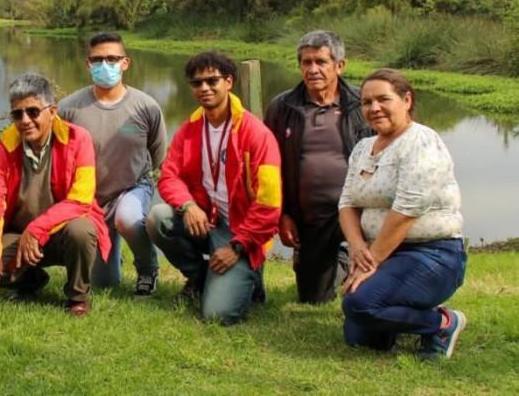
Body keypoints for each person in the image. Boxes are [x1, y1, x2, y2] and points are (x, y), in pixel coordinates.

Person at [339, 68, 467, 361]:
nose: (374, 108)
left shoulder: (421, 142)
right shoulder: (362, 148)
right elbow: (346, 203)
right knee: (359, 338)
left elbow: (407, 210)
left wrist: (370, 263)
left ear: (406, 100)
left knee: (360, 305)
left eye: (383, 99)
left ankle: (442, 323)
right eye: (366, 102)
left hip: (431, 255)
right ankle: (405, 312)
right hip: (380, 252)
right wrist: (358, 249)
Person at [147, 52, 281, 325]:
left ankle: (250, 276)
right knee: (157, 218)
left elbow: (269, 206)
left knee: (218, 315)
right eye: (197, 83)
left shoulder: (256, 135)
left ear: (229, 81)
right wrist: (188, 206)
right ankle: (199, 276)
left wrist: (238, 246)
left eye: (212, 81)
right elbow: (168, 176)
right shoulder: (190, 129)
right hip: (206, 220)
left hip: (242, 230)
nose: (204, 88)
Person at [0, 74, 111, 316]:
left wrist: (36, 230)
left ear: (53, 111)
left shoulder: (79, 139)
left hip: (61, 232)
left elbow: (81, 200)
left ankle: (77, 296)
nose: (25, 120)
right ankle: (31, 280)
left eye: (33, 112)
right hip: (18, 235)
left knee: (82, 230)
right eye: (17, 114)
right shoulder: (2, 150)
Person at [264, 30, 373, 304]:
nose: (312, 69)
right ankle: (341, 262)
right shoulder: (282, 107)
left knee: (374, 282)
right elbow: (271, 168)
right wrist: (283, 214)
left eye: (321, 62)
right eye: (306, 62)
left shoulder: (363, 105)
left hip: (360, 208)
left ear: (340, 65)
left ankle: (364, 261)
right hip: (311, 214)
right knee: (314, 297)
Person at [58, 32, 167, 295]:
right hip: (90, 198)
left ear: (125, 63)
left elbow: (159, 156)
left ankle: (148, 270)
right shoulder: (69, 109)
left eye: (112, 58)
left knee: (128, 218)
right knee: (106, 283)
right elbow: (59, 159)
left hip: (132, 188)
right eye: (97, 60)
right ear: (88, 64)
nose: (104, 65)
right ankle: (111, 254)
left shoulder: (146, 107)